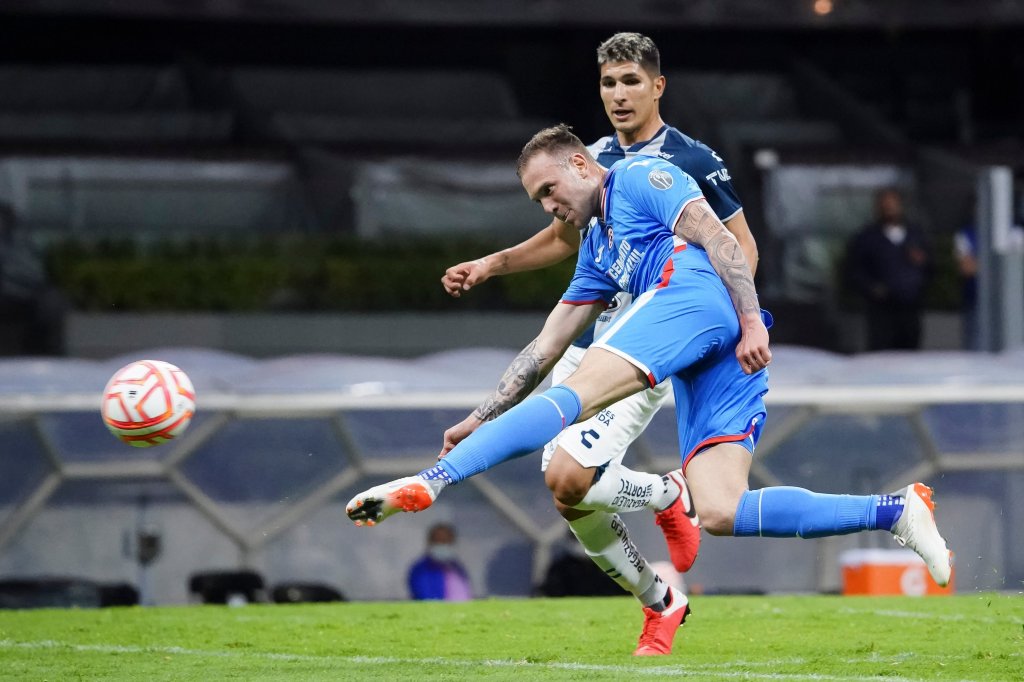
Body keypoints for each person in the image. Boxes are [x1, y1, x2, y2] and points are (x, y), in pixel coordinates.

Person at [347, 125, 953, 656]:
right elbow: (545, 346)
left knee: (570, 408)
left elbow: (721, 242)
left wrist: (747, 320)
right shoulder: (596, 250)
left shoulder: (641, 175)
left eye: (550, 191)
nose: (549, 207)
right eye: (538, 201)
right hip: (708, 353)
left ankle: (430, 482)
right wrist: (480, 416)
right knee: (720, 511)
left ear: (581, 163)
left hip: (695, 298)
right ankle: (897, 511)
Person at [437, 31, 756, 644]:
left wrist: (725, 326)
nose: (618, 94)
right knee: (568, 492)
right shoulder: (594, 157)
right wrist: (490, 265)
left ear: (657, 86)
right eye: (608, 83)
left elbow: (739, 245)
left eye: (631, 81)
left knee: (566, 470)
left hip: (652, 339)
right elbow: (564, 241)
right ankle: (660, 590)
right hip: (593, 337)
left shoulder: (691, 158)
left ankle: (666, 502)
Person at [845, 188, 933, 351]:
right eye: (885, 206)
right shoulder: (867, 237)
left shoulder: (915, 234)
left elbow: (930, 266)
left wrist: (920, 269)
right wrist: (872, 288)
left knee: (909, 351)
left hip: (909, 307)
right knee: (882, 351)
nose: (889, 210)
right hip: (882, 309)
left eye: (893, 205)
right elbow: (855, 270)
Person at [407, 523, 472, 601]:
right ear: (430, 542)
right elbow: (424, 597)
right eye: (438, 541)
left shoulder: (456, 567)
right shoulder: (421, 570)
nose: (443, 545)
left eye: (446, 541)